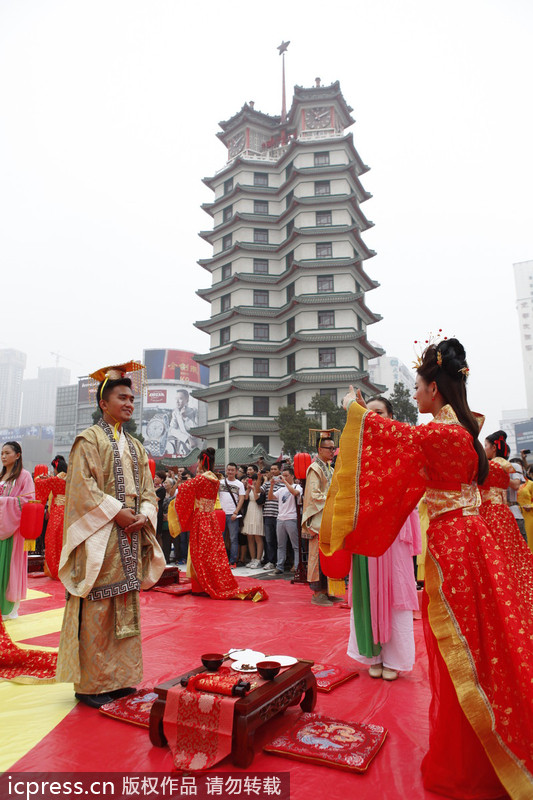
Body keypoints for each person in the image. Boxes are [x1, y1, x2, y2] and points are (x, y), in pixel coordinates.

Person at [320, 338, 533, 799]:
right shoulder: (464, 430)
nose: (414, 396)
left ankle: (472, 764)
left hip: (454, 547)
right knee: (481, 643)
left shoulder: (440, 432)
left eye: (417, 387)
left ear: (434, 388)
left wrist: (356, 412)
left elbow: (390, 439)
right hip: (471, 542)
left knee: (459, 648)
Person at [56, 363, 165, 708]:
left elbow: (149, 490)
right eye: (123, 397)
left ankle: (119, 678)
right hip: (99, 536)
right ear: (104, 403)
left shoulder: (135, 445)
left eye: (132, 398)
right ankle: (90, 684)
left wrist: (144, 515)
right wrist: (116, 512)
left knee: (124, 607)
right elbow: (81, 489)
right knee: (98, 607)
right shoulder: (88, 440)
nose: (130, 403)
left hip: (129, 535)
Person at [346, 398, 421, 680]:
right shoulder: (356, 449)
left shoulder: (402, 445)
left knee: (395, 591)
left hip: (393, 530)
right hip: (364, 530)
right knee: (367, 590)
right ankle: (372, 654)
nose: (374, 417)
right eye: (370, 413)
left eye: (379, 413)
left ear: (391, 417)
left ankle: (395, 658)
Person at [170, 447, 267, 601]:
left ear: (202, 461)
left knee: (200, 553)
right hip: (211, 517)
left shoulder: (202, 478)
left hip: (201, 518)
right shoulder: (215, 478)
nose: (196, 463)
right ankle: (209, 581)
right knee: (212, 553)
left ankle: (202, 584)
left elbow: (183, 489)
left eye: (198, 461)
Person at [480, 430, 533, 604]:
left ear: (494, 448)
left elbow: (516, 485)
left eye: (486, 446)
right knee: (510, 553)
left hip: (491, 512)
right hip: (502, 512)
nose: (484, 448)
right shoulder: (502, 464)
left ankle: (503, 590)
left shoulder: (493, 465)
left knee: (496, 554)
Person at [0, 442, 34, 620]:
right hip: (0, 524)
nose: (3, 456)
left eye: (7, 453)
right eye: (1, 453)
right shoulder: (2, 475)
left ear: (18, 455)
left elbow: (28, 501)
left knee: (10, 566)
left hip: (13, 530)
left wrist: (3, 501)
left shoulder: (24, 476)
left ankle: (8, 608)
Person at [302, 433, 337, 606]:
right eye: (329, 448)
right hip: (319, 518)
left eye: (333, 448)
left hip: (329, 516)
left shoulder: (329, 468)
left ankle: (328, 591)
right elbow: (313, 494)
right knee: (317, 556)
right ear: (319, 449)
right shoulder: (315, 469)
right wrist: (333, 498)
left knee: (329, 555)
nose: (332, 451)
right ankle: (318, 593)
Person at [34, 455, 68, 580]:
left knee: (53, 540)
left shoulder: (54, 479)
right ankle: (67, 570)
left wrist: (39, 476)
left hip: (57, 512)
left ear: (56, 468)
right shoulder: (72, 480)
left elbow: (38, 483)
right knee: (66, 541)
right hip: (70, 512)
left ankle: (55, 570)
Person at [271, 467, 302, 574]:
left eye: (286, 475)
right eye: (283, 476)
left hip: (292, 518)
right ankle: (279, 566)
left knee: (295, 545)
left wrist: (284, 481)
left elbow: (295, 493)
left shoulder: (297, 486)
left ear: (292, 476)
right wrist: (271, 485)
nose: (284, 478)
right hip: (280, 518)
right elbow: (270, 497)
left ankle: (297, 566)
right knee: (281, 545)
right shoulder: (281, 489)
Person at [218, 463, 245, 567]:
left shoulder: (239, 484)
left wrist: (236, 512)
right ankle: (221, 560)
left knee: (234, 539)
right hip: (221, 514)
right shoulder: (220, 483)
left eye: (232, 470)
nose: (230, 472)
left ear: (236, 471)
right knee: (221, 538)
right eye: (228, 470)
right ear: (226, 470)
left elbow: (241, 499)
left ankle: (233, 560)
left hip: (233, 514)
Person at [260, 463, 281, 570]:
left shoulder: (283, 483)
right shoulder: (267, 483)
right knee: (269, 540)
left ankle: (280, 562)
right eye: (271, 469)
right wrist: (260, 478)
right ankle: (271, 561)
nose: (273, 471)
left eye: (275, 469)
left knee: (279, 541)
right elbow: (259, 491)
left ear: (279, 470)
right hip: (268, 514)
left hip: (279, 515)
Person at [167, 389, 200, 456]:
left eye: (180, 399)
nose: (177, 401)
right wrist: (187, 438)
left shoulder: (194, 411)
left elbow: (196, 429)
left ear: (187, 400)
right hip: (184, 446)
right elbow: (171, 429)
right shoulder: (175, 413)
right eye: (176, 399)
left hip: (197, 445)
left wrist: (185, 417)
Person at [241, 472, 264, 568]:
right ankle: (252, 558)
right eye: (253, 479)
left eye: (256, 479)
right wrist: (248, 488)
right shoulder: (250, 488)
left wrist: (254, 489)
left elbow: (258, 500)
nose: (254, 481)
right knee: (249, 536)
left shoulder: (261, 490)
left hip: (257, 512)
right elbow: (246, 498)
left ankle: (258, 559)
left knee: (257, 537)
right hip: (249, 512)